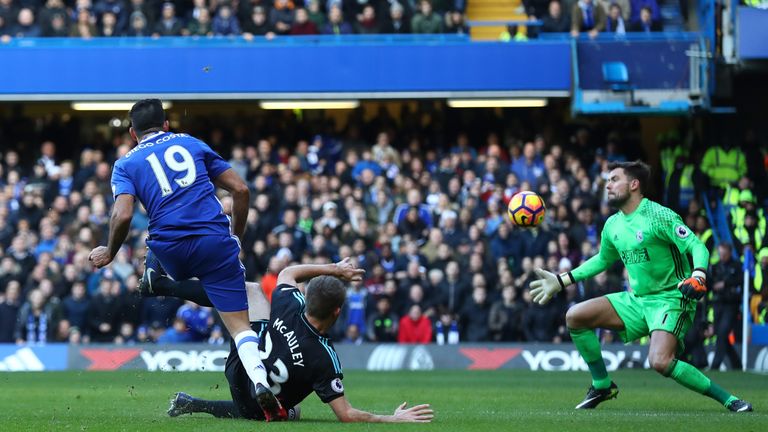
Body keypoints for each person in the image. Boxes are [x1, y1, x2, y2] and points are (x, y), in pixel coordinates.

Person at [88, 99, 284, 421]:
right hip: (214, 242)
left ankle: (155, 277)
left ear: (132, 133)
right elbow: (242, 190)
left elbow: (122, 215)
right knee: (239, 325)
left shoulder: (125, 164)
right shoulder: (191, 143)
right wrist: (237, 237)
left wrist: (110, 251)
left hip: (170, 249)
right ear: (166, 124)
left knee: (156, 228)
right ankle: (260, 381)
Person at [529, 160, 753, 412]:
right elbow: (603, 259)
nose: (608, 185)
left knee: (660, 361)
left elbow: (696, 245)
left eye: (614, 180)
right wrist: (562, 280)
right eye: (607, 181)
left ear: (634, 184)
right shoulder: (613, 224)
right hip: (637, 300)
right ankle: (602, 384)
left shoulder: (658, 215)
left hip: (671, 298)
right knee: (575, 316)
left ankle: (729, 399)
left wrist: (699, 275)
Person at [162, 259, 434, 423]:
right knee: (295, 412)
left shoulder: (289, 303)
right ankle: (277, 409)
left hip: (241, 365)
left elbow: (288, 273)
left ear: (308, 297)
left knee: (250, 290)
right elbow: (346, 414)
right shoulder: (325, 358)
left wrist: (335, 269)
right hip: (257, 407)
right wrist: (392, 418)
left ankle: (164, 286)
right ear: (337, 312)